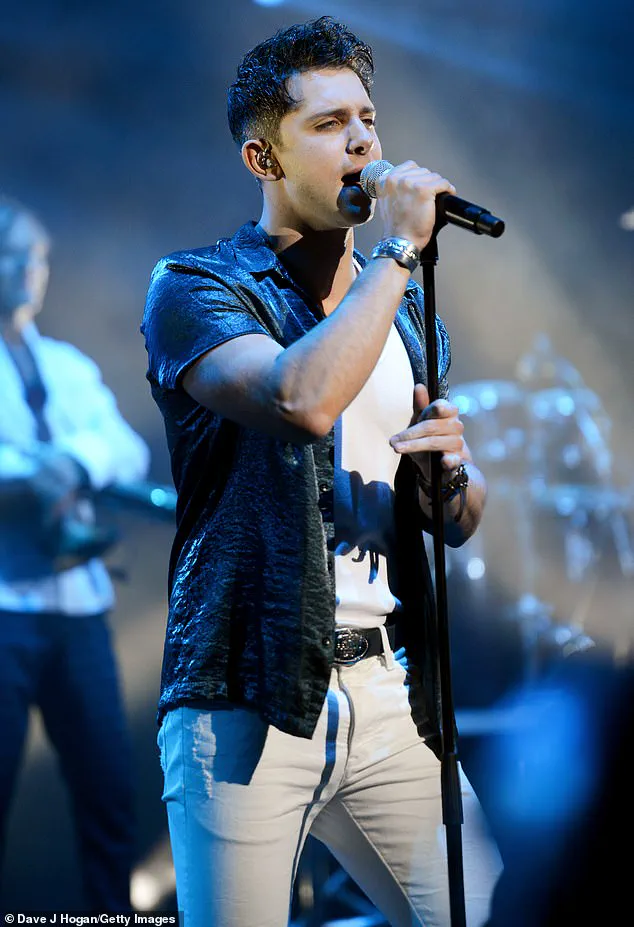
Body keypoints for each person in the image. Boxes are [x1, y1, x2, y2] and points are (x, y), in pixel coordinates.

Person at [142, 16, 502, 927]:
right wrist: (399, 250)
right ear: (263, 158)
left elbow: (460, 516)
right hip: (248, 691)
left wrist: (449, 479)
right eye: (331, 123)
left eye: (369, 119)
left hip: (390, 689)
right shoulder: (197, 287)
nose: (364, 143)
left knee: (487, 908)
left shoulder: (405, 311)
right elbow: (298, 397)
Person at [0, 195, 150, 911]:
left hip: (78, 610)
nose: (31, 270)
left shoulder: (66, 365)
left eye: (38, 257)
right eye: (14, 255)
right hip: (5, 607)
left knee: (108, 794)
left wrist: (75, 462)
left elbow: (127, 447)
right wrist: (28, 474)